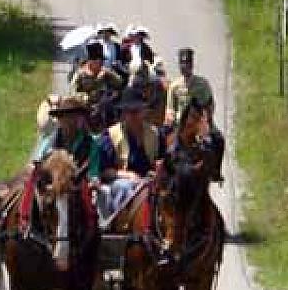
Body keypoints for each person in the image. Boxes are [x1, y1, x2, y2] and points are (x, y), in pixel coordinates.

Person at [90, 88, 164, 218]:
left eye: (137, 111)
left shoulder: (156, 134)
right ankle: (125, 222)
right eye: (130, 112)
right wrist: (128, 175)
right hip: (122, 180)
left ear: (144, 111)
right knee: (125, 187)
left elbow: (161, 160)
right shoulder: (111, 135)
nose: (134, 115)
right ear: (123, 114)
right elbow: (104, 171)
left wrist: (158, 170)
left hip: (150, 179)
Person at [166, 48, 224, 180]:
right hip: (180, 124)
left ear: (191, 65)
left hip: (200, 123)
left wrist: (207, 119)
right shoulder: (174, 86)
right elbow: (170, 108)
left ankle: (216, 172)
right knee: (165, 143)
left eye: (187, 63)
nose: (184, 66)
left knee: (219, 139)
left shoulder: (202, 84)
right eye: (182, 63)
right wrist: (170, 116)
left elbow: (210, 104)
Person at [33, 95, 95, 169]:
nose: (63, 121)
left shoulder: (89, 142)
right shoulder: (54, 139)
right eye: (61, 117)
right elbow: (42, 160)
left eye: (70, 117)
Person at [70, 40, 123, 123]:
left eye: (102, 61)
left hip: (103, 104)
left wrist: (109, 73)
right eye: (99, 61)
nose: (101, 63)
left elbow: (119, 83)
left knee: (112, 113)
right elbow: (73, 91)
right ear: (91, 61)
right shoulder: (80, 74)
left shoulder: (105, 72)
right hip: (84, 105)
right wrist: (84, 97)